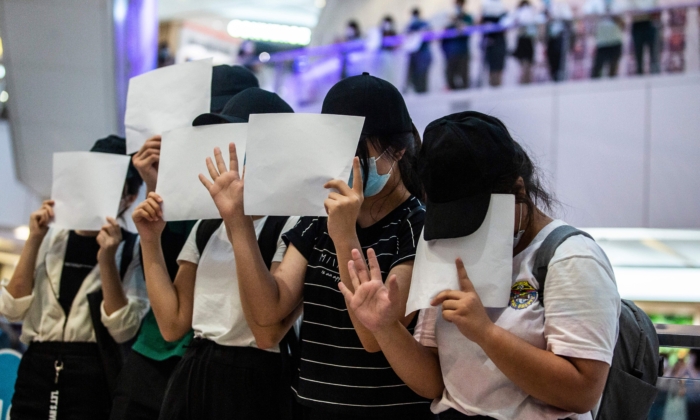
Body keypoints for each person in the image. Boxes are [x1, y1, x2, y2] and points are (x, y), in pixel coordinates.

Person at [340, 111, 621, 419]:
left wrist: (486, 333)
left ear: (518, 190)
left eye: (475, 217)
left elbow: (582, 392)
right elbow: (436, 382)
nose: (464, 232)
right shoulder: (446, 245)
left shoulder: (570, 259)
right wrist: (385, 328)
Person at [204, 73, 434, 419]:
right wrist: (238, 223)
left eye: (357, 150)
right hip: (310, 406)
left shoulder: (417, 227)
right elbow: (269, 310)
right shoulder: (316, 218)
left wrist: (345, 237)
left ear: (398, 150)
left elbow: (374, 337)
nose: (346, 163)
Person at [132, 87, 300, 420]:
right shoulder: (208, 223)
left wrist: (238, 222)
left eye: (238, 136)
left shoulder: (293, 222)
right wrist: (150, 240)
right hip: (195, 370)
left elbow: (267, 333)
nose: (226, 150)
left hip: (256, 382)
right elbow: (173, 324)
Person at [109, 64, 259, 420]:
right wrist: (155, 187)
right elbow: (163, 278)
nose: (217, 134)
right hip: (162, 349)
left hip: (220, 361)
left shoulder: (275, 210)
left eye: (228, 121)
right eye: (211, 121)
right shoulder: (186, 184)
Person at [0, 136, 149, 420]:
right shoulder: (50, 238)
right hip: (36, 368)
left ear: (128, 198)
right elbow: (11, 309)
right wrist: (33, 240)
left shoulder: (131, 248)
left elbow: (122, 330)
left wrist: (107, 259)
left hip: (94, 375)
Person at [441, 0, 474, 90]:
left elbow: (467, 29)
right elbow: (444, 33)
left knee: (464, 77)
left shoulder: (467, 17)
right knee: (450, 76)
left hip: (463, 52)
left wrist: (457, 21)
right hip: (451, 53)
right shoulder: (450, 18)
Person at [589, 4, 625, 78]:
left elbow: (624, 25)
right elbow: (588, 19)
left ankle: (612, 88)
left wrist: (614, 17)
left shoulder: (618, 4)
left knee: (613, 71)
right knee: (596, 71)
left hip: (615, 42)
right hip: (601, 43)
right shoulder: (595, 3)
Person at [511, 0, 542, 84]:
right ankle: (525, 80)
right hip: (525, 40)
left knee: (526, 62)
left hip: (526, 40)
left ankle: (526, 80)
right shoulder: (525, 12)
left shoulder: (528, 12)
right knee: (525, 62)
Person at [481, 0, 509, 86]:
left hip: (499, 42)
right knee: (492, 67)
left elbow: (505, 28)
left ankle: (498, 84)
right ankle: (493, 84)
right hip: (490, 43)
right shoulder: (485, 13)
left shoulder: (503, 13)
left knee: (499, 66)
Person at [544, 1, 573, 81]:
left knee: (560, 57)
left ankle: (560, 75)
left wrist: (556, 17)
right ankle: (553, 76)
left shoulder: (562, 5)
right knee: (551, 57)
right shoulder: (547, 7)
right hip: (550, 38)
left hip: (560, 37)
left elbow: (569, 19)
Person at [629, 0, 660, 75]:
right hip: (637, 25)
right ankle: (639, 73)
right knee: (638, 53)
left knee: (653, 52)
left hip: (649, 24)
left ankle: (655, 73)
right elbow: (631, 10)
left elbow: (656, 12)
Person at [406, 8, 433, 93]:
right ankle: (418, 90)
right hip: (414, 56)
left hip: (423, 54)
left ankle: (423, 91)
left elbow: (430, 36)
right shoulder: (410, 26)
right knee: (415, 77)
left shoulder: (424, 25)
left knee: (422, 75)